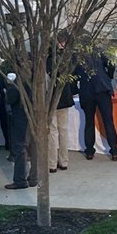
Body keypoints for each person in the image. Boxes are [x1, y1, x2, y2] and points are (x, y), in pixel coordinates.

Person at [77, 45, 117, 161]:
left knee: (89, 121)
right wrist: (109, 76)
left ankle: (89, 151)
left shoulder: (76, 53)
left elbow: (74, 72)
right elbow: (111, 63)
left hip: (86, 89)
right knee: (108, 121)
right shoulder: (99, 49)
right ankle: (114, 150)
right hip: (102, 87)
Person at [2, 76, 38, 189]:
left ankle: (20, 180)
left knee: (21, 148)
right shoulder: (38, 78)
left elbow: (10, 98)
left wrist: (8, 88)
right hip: (35, 116)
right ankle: (34, 178)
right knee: (34, 147)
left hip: (21, 117)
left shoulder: (19, 81)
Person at [48, 39, 75, 173]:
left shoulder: (48, 61)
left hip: (52, 99)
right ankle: (64, 161)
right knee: (63, 130)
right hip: (65, 98)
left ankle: (52, 163)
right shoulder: (66, 59)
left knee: (52, 132)